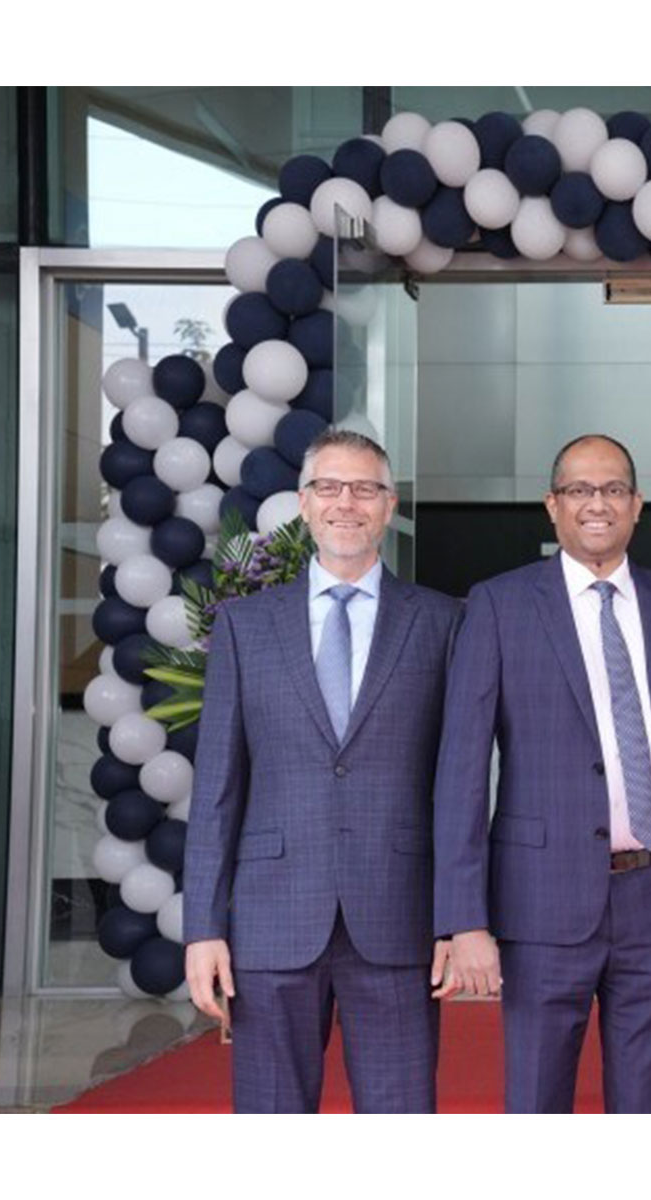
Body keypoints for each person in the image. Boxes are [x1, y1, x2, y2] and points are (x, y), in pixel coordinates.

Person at [433, 433, 651, 1113]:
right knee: (538, 1101)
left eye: (612, 490)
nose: (596, 503)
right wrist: (464, 920)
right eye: (579, 489)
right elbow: (461, 770)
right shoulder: (499, 605)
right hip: (538, 902)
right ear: (553, 504)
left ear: (637, 504)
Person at [181, 428, 462, 1113]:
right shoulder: (246, 627)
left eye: (365, 488)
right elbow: (217, 789)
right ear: (304, 504)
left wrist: (460, 919)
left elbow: (458, 785)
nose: (346, 503)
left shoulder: (441, 622)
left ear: (389, 505)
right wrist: (203, 928)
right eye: (329, 487)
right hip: (271, 920)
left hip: (399, 918)